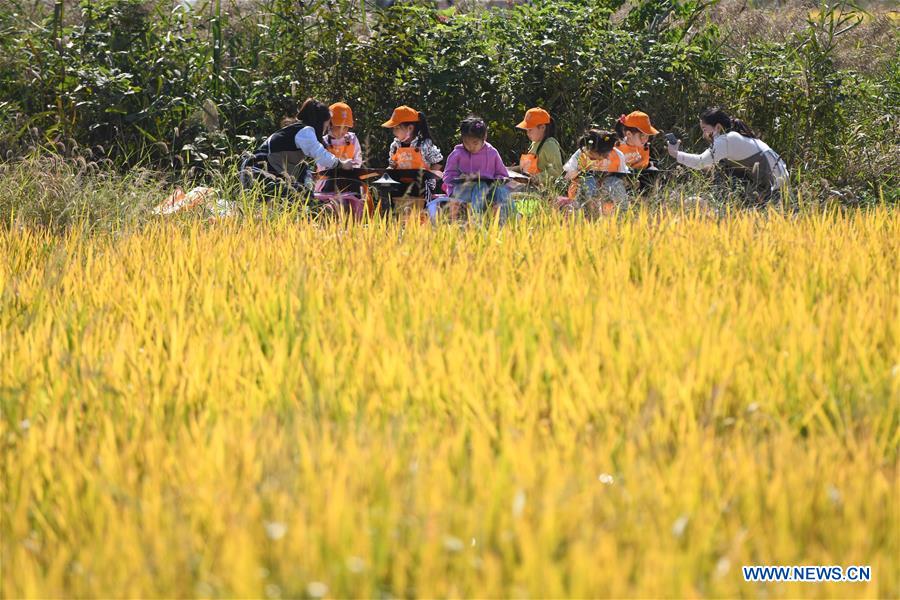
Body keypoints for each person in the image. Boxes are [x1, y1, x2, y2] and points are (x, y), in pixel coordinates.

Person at [667, 107, 789, 204]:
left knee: (723, 173)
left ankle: (722, 206)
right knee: (722, 169)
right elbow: (708, 166)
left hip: (774, 184)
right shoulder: (734, 137)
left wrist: (675, 154)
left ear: (718, 127)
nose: (704, 135)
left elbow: (700, 162)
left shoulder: (727, 140)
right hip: (779, 181)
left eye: (704, 129)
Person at [239, 98, 354, 198]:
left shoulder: (298, 129)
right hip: (259, 169)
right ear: (320, 122)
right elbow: (319, 154)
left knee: (302, 175)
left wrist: (311, 175)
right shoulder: (306, 131)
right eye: (327, 123)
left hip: (260, 167)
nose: (327, 127)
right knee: (298, 197)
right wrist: (341, 163)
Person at [436, 116, 511, 222]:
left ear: (484, 137)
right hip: (462, 191)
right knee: (480, 187)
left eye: (475, 143)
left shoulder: (492, 153)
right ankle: (477, 218)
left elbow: (502, 174)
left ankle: (509, 218)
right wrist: (460, 178)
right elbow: (447, 176)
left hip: (489, 190)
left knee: (502, 191)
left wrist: (496, 181)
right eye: (466, 142)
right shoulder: (457, 154)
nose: (470, 146)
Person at [562, 129, 629, 216]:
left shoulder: (618, 155)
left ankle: (622, 216)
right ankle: (584, 214)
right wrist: (581, 171)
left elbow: (624, 177)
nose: (600, 159)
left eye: (605, 156)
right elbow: (567, 176)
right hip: (583, 190)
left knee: (614, 182)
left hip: (608, 190)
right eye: (593, 157)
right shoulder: (581, 154)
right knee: (589, 181)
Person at [316, 101, 363, 194]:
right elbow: (322, 166)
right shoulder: (323, 142)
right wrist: (341, 166)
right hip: (328, 183)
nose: (343, 130)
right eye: (339, 127)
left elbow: (358, 161)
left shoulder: (352, 139)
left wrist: (350, 166)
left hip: (350, 180)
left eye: (346, 127)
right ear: (330, 124)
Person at [382, 105, 443, 169]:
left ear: (410, 128)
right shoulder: (395, 146)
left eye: (397, 128)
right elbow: (392, 164)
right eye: (393, 128)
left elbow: (439, 162)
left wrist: (428, 174)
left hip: (421, 175)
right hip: (401, 176)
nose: (394, 132)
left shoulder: (424, 144)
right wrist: (392, 166)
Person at [516, 107, 564, 182]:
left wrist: (535, 178)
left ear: (542, 127)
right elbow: (527, 167)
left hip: (543, 188)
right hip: (529, 184)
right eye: (526, 130)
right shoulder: (534, 143)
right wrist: (509, 170)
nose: (527, 133)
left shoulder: (550, 145)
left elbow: (557, 170)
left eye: (530, 130)